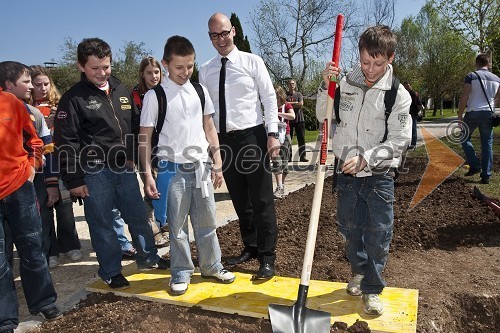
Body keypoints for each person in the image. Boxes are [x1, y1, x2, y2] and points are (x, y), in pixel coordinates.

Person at [53, 38, 168, 290]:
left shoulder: (121, 89)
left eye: (106, 66)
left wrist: (136, 158)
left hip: (124, 167)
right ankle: (111, 270)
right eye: (95, 68)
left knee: (138, 216)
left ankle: (148, 257)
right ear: (81, 66)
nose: (102, 73)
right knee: (102, 223)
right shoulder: (73, 99)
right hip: (93, 172)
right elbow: (66, 142)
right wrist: (74, 180)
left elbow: (135, 127)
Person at [318, 25, 411, 315]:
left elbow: (400, 140)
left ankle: (372, 288)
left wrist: (367, 158)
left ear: (390, 58)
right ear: (358, 56)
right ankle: (359, 271)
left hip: (379, 176)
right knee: (349, 229)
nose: (370, 69)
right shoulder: (344, 83)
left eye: (378, 63)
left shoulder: (397, 94)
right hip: (346, 175)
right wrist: (326, 87)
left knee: (378, 233)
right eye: (365, 62)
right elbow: (323, 117)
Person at [139, 35, 235, 296]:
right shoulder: (154, 96)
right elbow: (145, 137)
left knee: (207, 221)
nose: (185, 72)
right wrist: (148, 174)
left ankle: (212, 265)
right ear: (165, 64)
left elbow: (209, 127)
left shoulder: (199, 90)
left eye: (190, 66)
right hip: (172, 168)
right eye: (179, 67)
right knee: (178, 226)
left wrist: (217, 162)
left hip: (201, 166)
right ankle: (181, 272)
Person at [199, 12, 280, 279]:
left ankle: (267, 257)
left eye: (224, 33)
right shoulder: (206, 69)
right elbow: (205, 112)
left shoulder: (252, 62)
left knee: (262, 200)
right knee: (240, 200)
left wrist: (272, 134)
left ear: (233, 31)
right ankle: (252, 246)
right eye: (214, 35)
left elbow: (269, 99)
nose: (220, 39)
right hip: (223, 142)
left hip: (252, 138)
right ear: (209, 37)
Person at [0, 89, 63, 332]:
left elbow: (35, 139)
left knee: (33, 247)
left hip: (19, 189)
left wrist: (32, 166)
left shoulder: (10, 102)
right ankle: (6, 319)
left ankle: (44, 302)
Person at [29, 65, 83, 267]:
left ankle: (70, 246)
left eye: (46, 84)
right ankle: (50, 250)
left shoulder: (59, 104)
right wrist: (43, 123)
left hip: (60, 163)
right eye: (37, 84)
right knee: (44, 210)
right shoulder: (26, 109)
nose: (42, 88)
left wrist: (56, 122)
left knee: (65, 207)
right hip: (39, 167)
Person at [131, 56, 169, 248]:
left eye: (156, 72)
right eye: (149, 73)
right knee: (150, 188)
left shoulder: (167, 92)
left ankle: (166, 224)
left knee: (167, 188)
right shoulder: (134, 95)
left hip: (166, 148)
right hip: (145, 150)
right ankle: (152, 228)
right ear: (142, 74)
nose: (154, 76)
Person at [458, 53, 500, 184]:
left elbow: (464, 97)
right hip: (489, 113)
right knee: (487, 143)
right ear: (489, 64)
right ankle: (486, 175)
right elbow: (498, 99)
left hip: (473, 112)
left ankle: (475, 165)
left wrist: (460, 115)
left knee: (464, 137)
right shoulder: (497, 78)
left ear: (477, 63)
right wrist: (492, 104)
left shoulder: (471, 76)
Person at [272, 85, 295, 199]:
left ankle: (282, 185)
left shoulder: (287, 105)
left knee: (284, 162)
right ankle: (279, 186)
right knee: (277, 161)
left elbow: (292, 116)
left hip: (285, 135)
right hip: (274, 136)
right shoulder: (270, 106)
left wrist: (278, 114)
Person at [286, 79, 308, 162]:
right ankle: (288, 157)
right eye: (290, 84)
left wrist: (290, 106)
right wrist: (295, 103)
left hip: (299, 119)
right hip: (289, 120)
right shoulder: (286, 95)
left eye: (293, 84)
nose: (292, 85)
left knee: (301, 138)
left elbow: (301, 104)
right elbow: (285, 103)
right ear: (288, 85)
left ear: (295, 85)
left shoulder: (299, 94)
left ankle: (303, 157)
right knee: (288, 139)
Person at [402, 82, 423, 149]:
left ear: (410, 86)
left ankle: (413, 144)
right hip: (405, 114)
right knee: (405, 130)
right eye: (405, 86)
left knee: (413, 129)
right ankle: (407, 144)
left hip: (413, 114)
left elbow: (419, 104)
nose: (406, 87)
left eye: (407, 86)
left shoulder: (414, 94)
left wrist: (420, 113)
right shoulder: (403, 94)